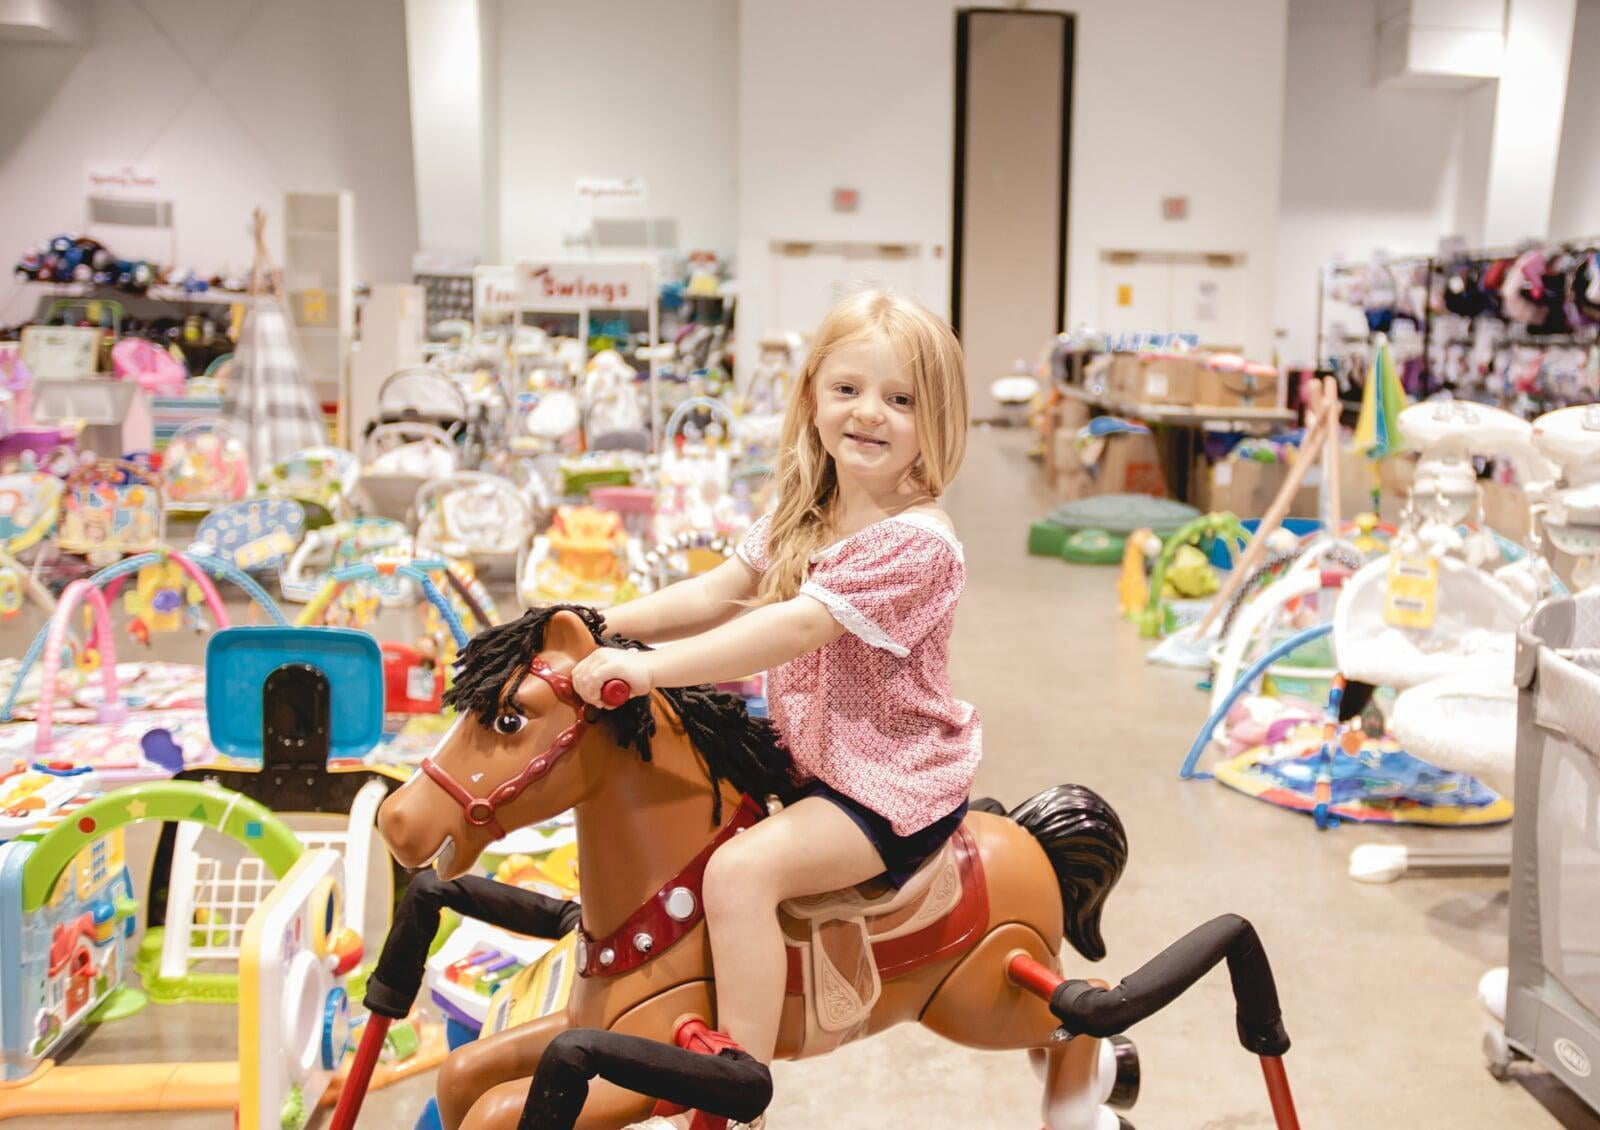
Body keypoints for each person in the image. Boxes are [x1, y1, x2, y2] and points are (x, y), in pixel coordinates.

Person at [571, 289, 979, 1128]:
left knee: (739, 870)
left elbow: (792, 628)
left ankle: (732, 1084)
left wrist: (649, 672)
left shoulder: (917, 543)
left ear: (935, 421)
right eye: (848, 390)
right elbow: (721, 591)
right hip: (809, 757)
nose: (869, 414)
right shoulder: (808, 509)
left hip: (883, 788)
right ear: (813, 399)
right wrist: (601, 624)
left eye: (900, 401)